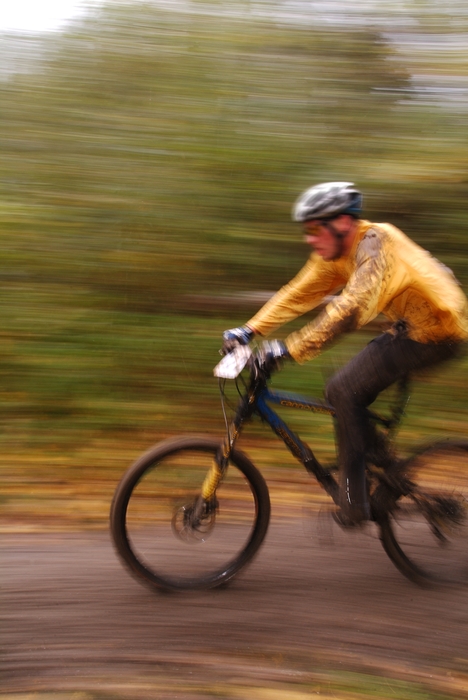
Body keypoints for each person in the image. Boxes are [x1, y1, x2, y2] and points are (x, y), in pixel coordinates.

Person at [222, 181, 468, 525]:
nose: (309, 238)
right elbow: (298, 292)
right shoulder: (336, 252)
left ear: (342, 224)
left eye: (313, 228)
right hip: (410, 327)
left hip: (439, 331)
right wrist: (250, 330)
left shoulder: (375, 243)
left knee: (344, 390)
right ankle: (386, 465)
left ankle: (354, 502)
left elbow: (352, 308)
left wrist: (287, 348)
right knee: (339, 390)